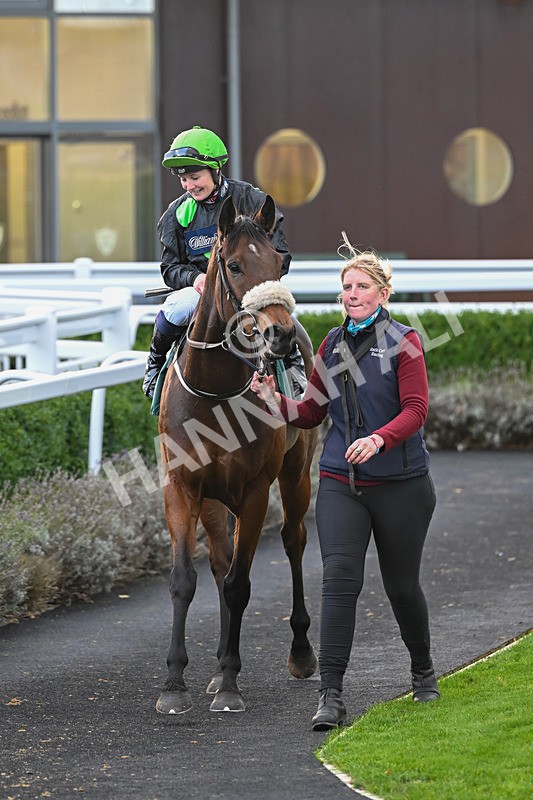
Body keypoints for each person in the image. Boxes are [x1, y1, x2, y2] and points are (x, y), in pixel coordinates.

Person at [250, 237, 439, 731]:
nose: (351, 294)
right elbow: (312, 412)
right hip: (341, 481)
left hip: (401, 483)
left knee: (401, 587)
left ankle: (423, 672)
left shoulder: (405, 341)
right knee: (339, 582)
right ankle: (330, 696)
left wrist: (379, 439)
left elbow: (416, 411)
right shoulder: (332, 345)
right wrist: (275, 401)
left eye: (361, 286)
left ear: (382, 294)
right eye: (346, 287)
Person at [142, 125, 305, 399]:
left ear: (216, 170)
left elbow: (280, 253)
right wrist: (195, 279)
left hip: (251, 288)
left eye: (195, 177)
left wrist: (256, 284)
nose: (189, 186)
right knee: (175, 309)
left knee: (278, 316)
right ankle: (155, 365)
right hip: (202, 293)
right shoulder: (176, 215)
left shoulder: (251, 199)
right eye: (183, 180)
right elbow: (170, 268)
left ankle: (292, 363)